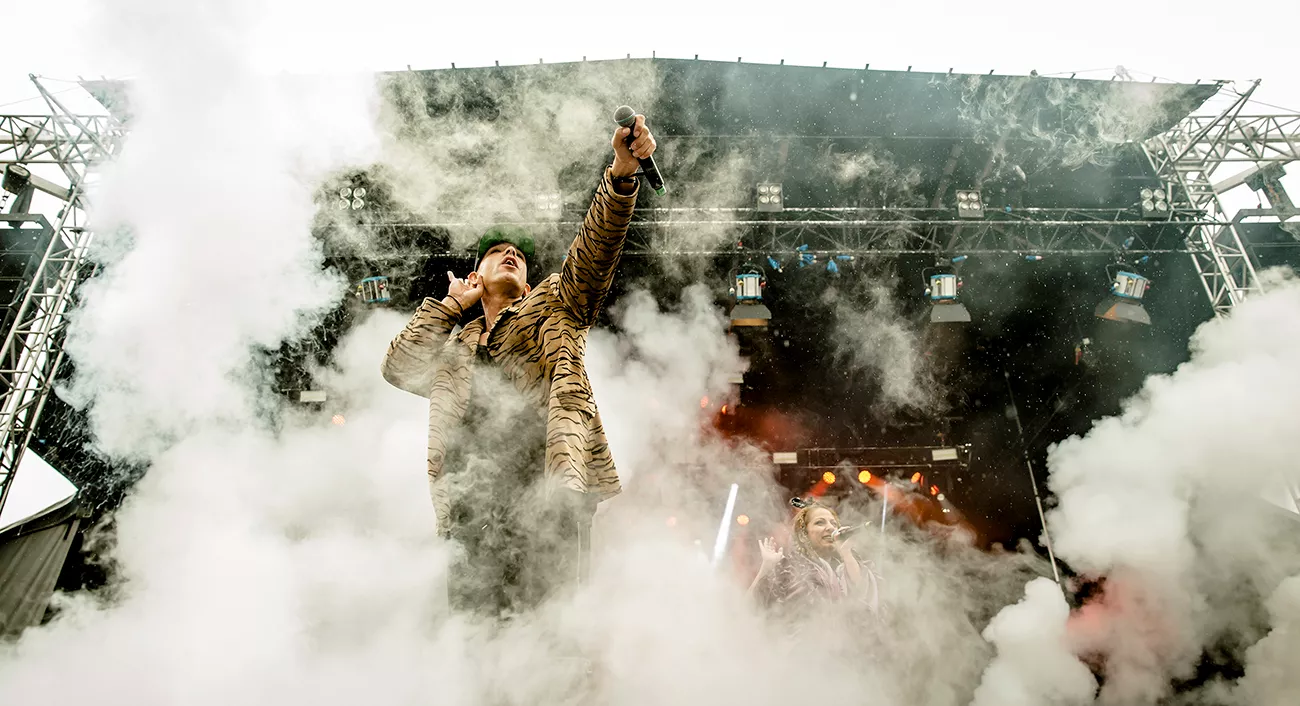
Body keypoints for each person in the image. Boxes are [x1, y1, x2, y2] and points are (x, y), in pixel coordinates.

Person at [381, 115, 657, 617]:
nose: (510, 254)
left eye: (518, 256)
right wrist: (450, 307)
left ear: (528, 284)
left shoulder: (554, 304)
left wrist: (620, 173)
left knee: (553, 641)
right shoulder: (455, 348)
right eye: (496, 252)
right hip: (471, 514)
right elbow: (398, 367)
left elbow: (596, 252)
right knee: (476, 641)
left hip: (549, 500)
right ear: (474, 275)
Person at [748, 501, 881, 613]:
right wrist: (767, 568)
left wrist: (846, 552)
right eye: (820, 523)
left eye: (834, 524)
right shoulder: (790, 566)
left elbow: (863, 594)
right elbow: (750, 609)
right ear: (803, 533)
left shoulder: (843, 567)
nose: (830, 528)